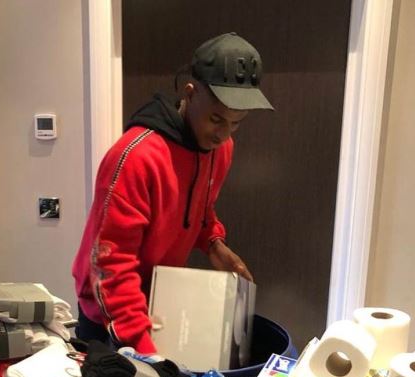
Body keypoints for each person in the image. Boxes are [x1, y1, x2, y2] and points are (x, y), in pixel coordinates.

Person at [72, 32, 273, 353]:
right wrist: (146, 353)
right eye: (217, 119)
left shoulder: (220, 150)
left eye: (236, 123)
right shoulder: (135, 157)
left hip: (157, 301)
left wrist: (214, 244)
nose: (224, 134)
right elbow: (111, 266)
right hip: (107, 314)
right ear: (190, 93)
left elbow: (200, 210)